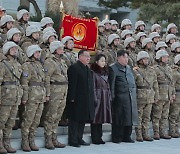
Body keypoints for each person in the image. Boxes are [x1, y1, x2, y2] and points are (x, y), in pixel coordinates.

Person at [109, 50, 138, 143]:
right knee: (119, 118)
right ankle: (117, 136)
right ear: (118, 58)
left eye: (127, 57)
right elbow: (112, 85)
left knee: (129, 117)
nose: (126, 59)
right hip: (119, 97)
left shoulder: (129, 68)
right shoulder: (113, 68)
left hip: (130, 96)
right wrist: (112, 98)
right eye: (124, 57)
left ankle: (127, 136)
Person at [67, 49, 95, 147]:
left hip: (86, 98)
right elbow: (73, 84)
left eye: (89, 56)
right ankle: (73, 140)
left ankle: (79, 138)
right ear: (80, 57)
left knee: (82, 120)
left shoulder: (87, 68)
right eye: (86, 56)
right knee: (75, 120)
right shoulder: (74, 68)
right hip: (76, 98)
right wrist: (72, 97)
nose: (89, 58)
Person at [20, 45, 46, 152]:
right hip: (32, 96)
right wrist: (25, 97)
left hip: (40, 96)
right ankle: (25, 141)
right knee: (28, 119)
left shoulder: (40, 65)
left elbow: (43, 81)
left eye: (39, 53)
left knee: (36, 120)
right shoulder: (26, 65)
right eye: (36, 53)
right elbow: (25, 82)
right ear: (31, 53)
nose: (38, 54)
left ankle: (32, 139)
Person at [43, 41, 67, 149]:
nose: (63, 50)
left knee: (58, 116)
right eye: (60, 48)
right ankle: (48, 138)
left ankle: (54, 137)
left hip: (63, 90)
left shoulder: (62, 61)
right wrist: (47, 93)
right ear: (55, 49)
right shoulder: (49, 62)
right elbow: (47, 78)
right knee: (51, 116)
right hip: (54, 90)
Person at [0, 41, 23, 153]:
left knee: (10, 123)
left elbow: (21, 81)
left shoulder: (18, 65)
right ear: (7, 50)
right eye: (13, 49)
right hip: (5, 98)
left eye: (16, 49)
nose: (15, 51)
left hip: (15, 97)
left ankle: (7, 143)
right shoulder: (2, 65)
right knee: (1, 122)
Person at [134, 51, 159, 142]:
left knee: (147, 117)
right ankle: (139, 134)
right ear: (140, 60)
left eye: (147, 59)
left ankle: (146, 134)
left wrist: (156, 96)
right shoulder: (136, 71)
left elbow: (155, 84)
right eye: (144, 59)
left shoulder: (152, 70)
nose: (146, 60)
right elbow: (134, 84)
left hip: (150, 95)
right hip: (140, 96)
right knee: (139, 116)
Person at [152, 50, 175, 140]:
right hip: (160, 94)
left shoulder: (169, 68)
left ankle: (163, 132)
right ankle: (156, 132)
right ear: (159, 58)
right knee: (157, 115)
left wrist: (172, 93)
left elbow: (172, 82)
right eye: (164, 57)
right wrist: (156, 96)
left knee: (165, 115)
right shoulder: (155, 69)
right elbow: (154, 83)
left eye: (167, 57)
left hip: (168, 94)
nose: (166, 58)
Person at [90, 54, 112, 144]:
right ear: (96, 62)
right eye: (102, 61)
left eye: (104, 61)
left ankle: (99, 136)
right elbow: (93, 86)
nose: (103, 63)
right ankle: (95, 137)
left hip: (104, 96)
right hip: (98, 96)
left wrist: (109, 95)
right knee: (96, 118)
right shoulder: (93, 72)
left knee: (101, 118)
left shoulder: (105, 72)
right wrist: (95, 97)